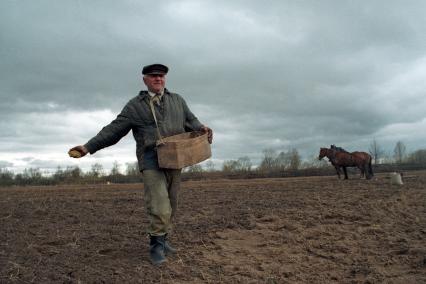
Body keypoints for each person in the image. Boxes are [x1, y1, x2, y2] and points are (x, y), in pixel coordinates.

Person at [69, 63, 213, 265]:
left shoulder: (177, 100)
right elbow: (113, 130)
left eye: (161, 76)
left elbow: (191, 121)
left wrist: (202, 128)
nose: (158, 79)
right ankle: (155, 247)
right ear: (145, 79)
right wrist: (88, 147)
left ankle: (163, 241)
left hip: (176, 159)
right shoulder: (135, 106)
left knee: (172, 204)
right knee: (159, 205)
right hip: (151, 161)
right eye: (153, 76)